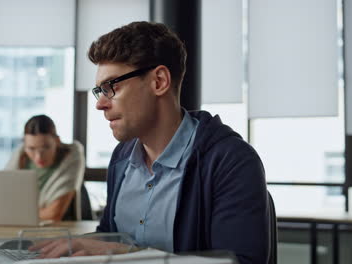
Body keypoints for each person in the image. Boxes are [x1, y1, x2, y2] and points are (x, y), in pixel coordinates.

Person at [31, 21, 269, 264]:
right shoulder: (122, 158)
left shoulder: (231, 161)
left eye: (111, 87)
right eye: (98, 91)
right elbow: (110, 240)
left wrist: (128, 256)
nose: (100, 104)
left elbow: (242, 262)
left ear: (159, 82)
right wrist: (67, 249)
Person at [5, 115, 85, 221]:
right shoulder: (19, 157)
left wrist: (14, 214)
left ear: (57, 141)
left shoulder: (72, 155)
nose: (38, 156)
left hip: (58, 228)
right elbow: (2, 203)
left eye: (46, 147)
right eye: (31, 148)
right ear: (24, 145)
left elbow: (53, 214)